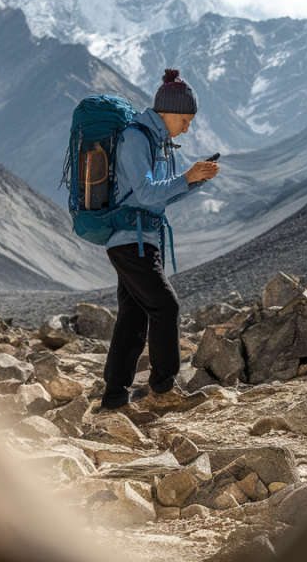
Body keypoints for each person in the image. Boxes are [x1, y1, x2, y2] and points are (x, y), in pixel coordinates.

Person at [99, 68, 220, 413]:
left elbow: (160, 198)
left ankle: (115, 397)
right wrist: (187, 176)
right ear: (166, 113)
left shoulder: (157, 141)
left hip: (141, 238)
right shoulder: (136, 138)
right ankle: (164, 389)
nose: (186, 127)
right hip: (130, 240)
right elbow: (148, 192)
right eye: (184, 120)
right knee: (166, 307)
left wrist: (196, 181)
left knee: (134, 317)